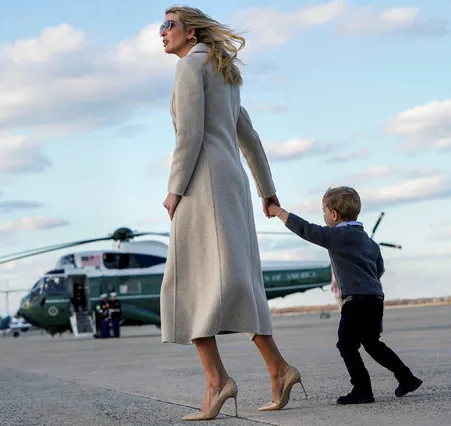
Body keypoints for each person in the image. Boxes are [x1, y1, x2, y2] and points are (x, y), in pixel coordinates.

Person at [158, 6, 305, 421]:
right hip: (232, 183)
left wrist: (173, 190)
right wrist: (267, 190)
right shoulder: (224, 72)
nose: (161, 33)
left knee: (187, 281)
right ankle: (278, 369)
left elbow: (188, 135)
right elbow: (250, 138)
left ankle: (217, 382)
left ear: (190, 32)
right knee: (234, 279)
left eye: (168, 25)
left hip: (201, 181)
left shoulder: (191, 67)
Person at [267, 186, 423, 404]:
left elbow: (306, 229)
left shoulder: (336, 236)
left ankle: (362, 389)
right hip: (375, 298)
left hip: (355, 301)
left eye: (324, 212)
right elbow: (379, 269)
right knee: (372, 343)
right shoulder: (369, 242)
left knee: (346, 345)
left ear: (334, 214)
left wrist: (278, 211)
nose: (323, 217)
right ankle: (406, 377)